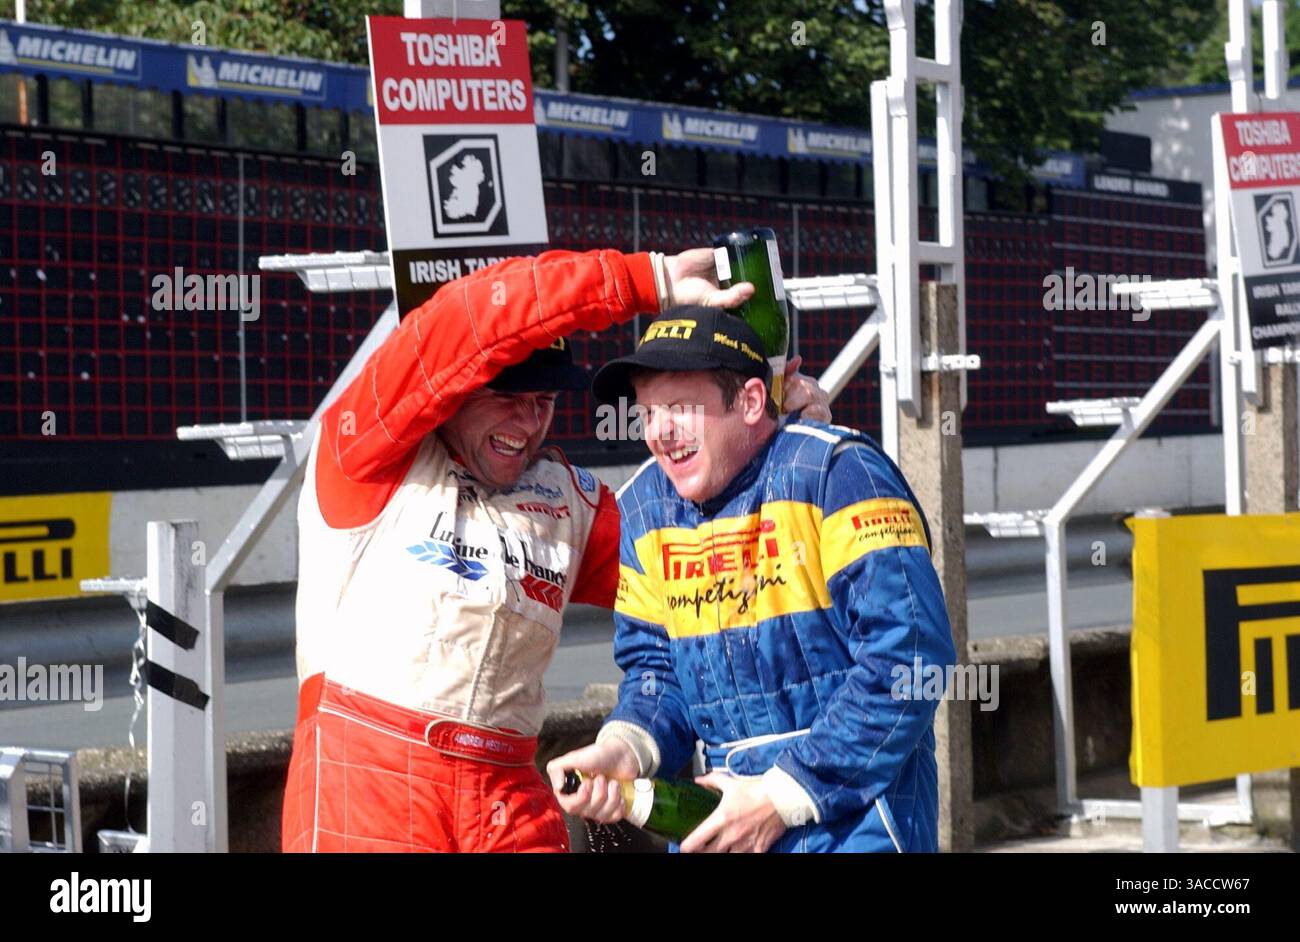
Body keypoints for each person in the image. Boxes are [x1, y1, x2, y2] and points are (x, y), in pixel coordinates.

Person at [280, 248, 830, 853]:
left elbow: (708, 551)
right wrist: (647, 281)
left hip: (511, 793)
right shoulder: (365, 454)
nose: (529, 419)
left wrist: (769, 443)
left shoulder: (569, 498)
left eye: (545, 400)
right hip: (369, 779)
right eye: (509, 395)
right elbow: (461, 321)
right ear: (454, 392)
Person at [547, 307, 957, 853]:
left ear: (750, 402)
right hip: (725, 822)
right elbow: (655, 673)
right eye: (647, 413)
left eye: (680, 408)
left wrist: (780, 797)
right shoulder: (643, 507)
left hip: (858, 825)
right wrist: (624, 749)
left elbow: (909, 662)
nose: (659, 433)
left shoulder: (840, 473)